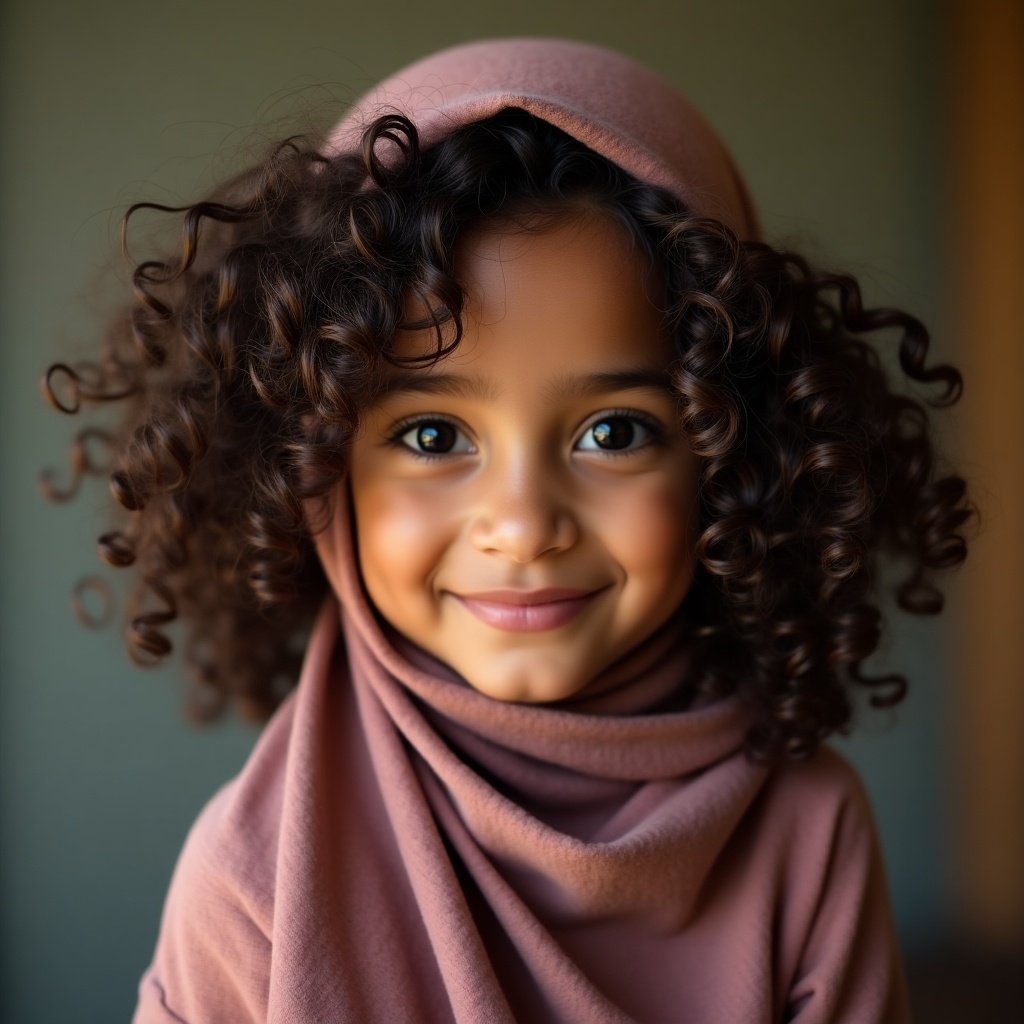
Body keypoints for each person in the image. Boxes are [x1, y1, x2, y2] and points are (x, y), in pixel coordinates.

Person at [42, 37, 973, 1023]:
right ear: (318, 470)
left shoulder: (807, 833)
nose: (523, 527)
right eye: (433, 433)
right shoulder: (250, 881)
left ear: (734, 449)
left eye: (614, 431)